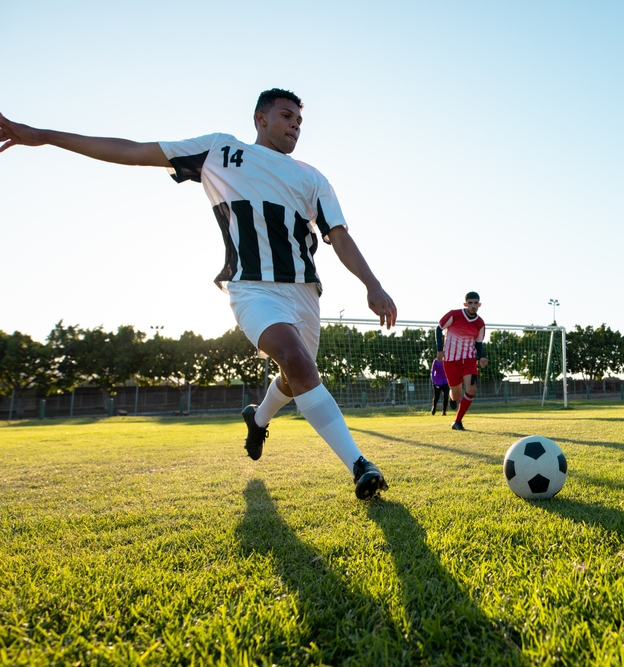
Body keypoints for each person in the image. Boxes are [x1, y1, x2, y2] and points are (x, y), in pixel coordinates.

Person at [0, 89, 396, 499]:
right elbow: (134, 151)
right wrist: (42, 135)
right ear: (260, 119)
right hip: (251, 288)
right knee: (295, 360)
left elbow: (339, 236)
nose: (295, 124)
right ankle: (359, 465)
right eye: (286, 115)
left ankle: (258, 419)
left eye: (299, 120)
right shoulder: (220, 151)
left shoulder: (313, 178)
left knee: (296, 378)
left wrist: (373, 284)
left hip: (304, 293)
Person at [436, 293, 488, 431]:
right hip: (451, 361)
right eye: (470, 303)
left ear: (479, 304)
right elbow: (438, 329)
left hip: (469, 360)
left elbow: (479, 343)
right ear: (465, 304)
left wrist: (481, 357)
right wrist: (439, 350)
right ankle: (452, 399)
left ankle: (457, 421)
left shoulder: (480, 323)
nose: (473, 306)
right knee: (457, 394)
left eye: (475, 303)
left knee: (472, 389)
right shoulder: (454, 315)